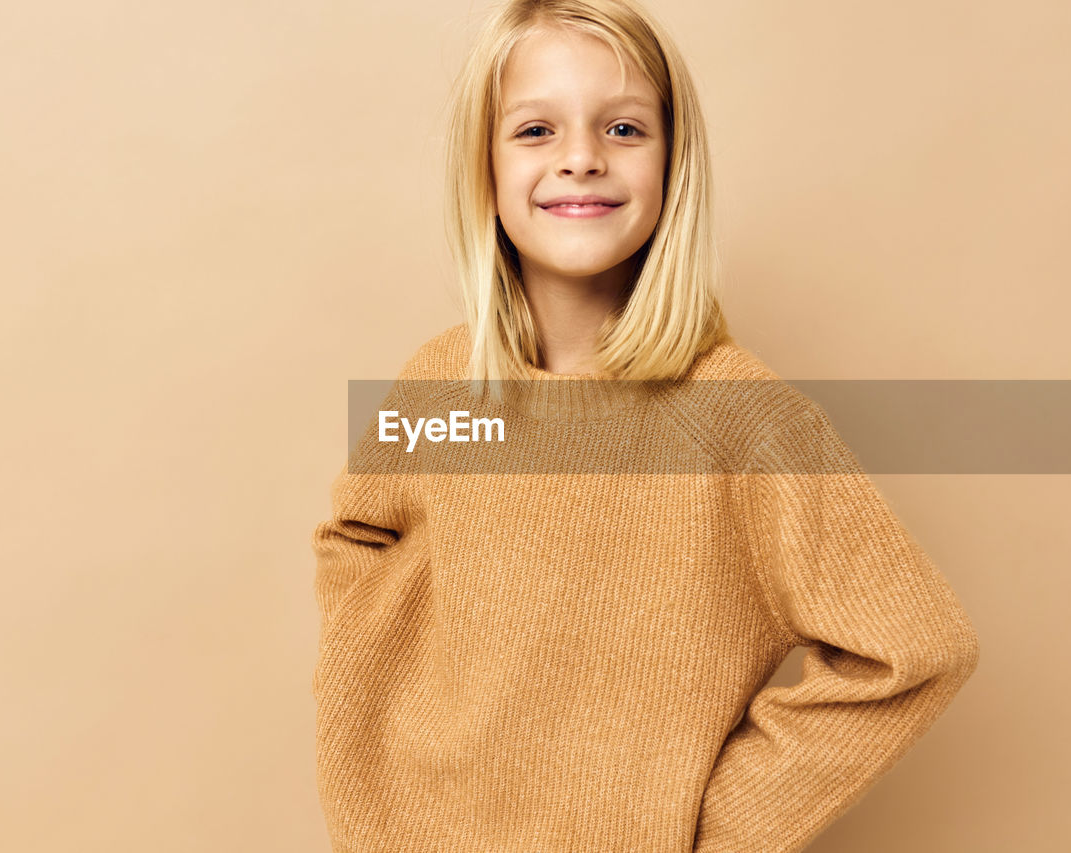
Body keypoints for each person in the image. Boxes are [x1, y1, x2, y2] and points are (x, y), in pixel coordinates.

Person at [311, 1, 980, 851]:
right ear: (481, 165)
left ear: (674, 163)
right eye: (535, 130)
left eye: (624, 128)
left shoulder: (741, 418)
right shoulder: (442, 389)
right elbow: (360, 538)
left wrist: (712, 827)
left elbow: (914, 646)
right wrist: (379, 761)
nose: (581, 159)